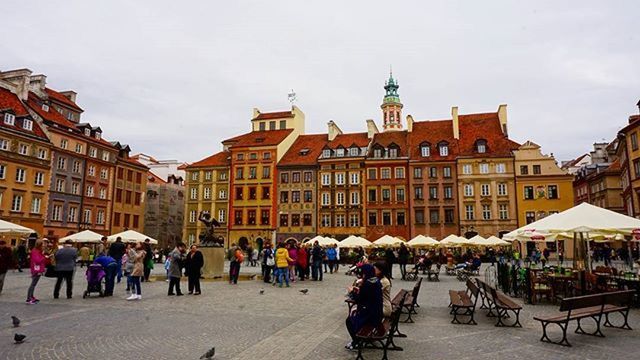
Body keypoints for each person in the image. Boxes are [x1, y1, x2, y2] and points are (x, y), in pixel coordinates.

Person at [345, 264, 383, 350]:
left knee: (349, 321)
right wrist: (360, 290)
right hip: (377, 313)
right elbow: (368, 296)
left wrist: (352, 292)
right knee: (354, 315)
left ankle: (356, 341)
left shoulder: (367, 284)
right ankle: (357, 340)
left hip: (370, 316)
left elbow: (359, 299)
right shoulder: (376, 281)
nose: (362, 275)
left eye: (363, 273)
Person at [26, 239, 49, 304]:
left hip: (38, 269)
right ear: (39, 245)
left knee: (34, 284)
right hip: (36, 269)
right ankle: (29, 298)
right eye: (43, 244)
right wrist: (44, 257)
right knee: (33, 284)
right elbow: (37, 261)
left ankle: (31, 296)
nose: (44, 246)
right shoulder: (35, 251)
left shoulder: (38, 251)